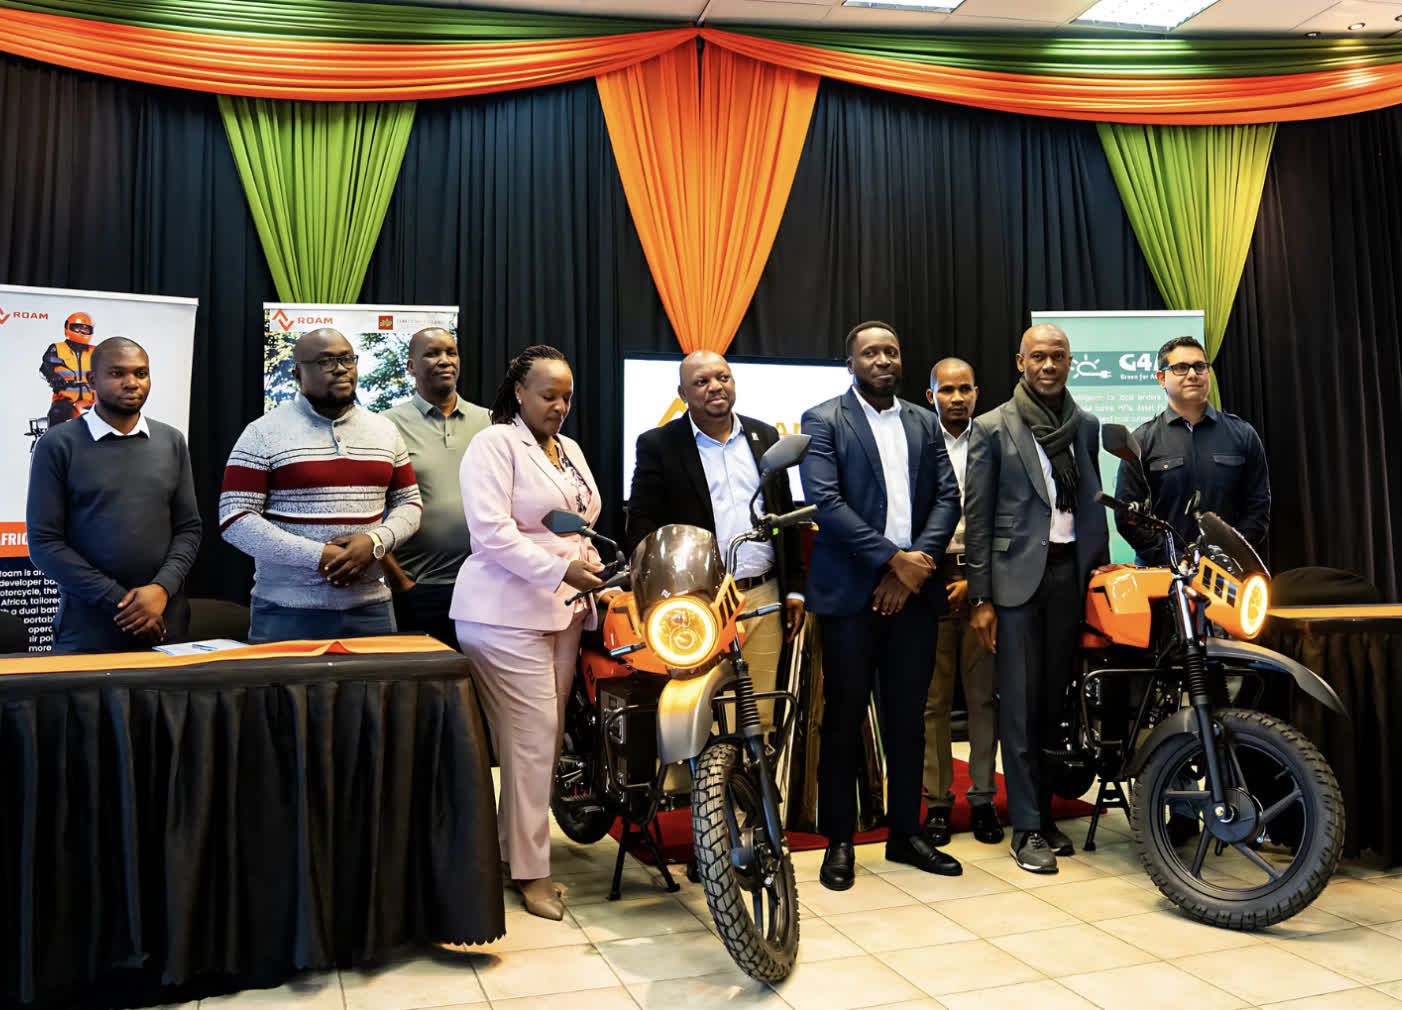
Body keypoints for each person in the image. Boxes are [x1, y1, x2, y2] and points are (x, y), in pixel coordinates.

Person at [801, 321, 964, 891]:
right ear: (851, 364)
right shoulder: (824, 419)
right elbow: (826, 501)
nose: (883, 360)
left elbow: (948, 495)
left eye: (892, 351)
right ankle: (839, 841)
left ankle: (905, 834)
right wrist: (893, 562)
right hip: (851, 595)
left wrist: (916, 565)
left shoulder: (923, 420)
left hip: (913, 597)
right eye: (871, 352)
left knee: (908, 720)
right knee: (844, 720)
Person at [451, 345, 605, 921]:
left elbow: (580, 527)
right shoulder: (493, 444)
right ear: (518, 392)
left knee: (543, 740)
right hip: (503, 612)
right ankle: (530, 874)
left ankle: (510, 854)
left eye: (566, 396)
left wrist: (594, 576)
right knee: (533, 739)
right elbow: (490, 533)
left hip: (563, 610)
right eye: (548, 395)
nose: (560, 406)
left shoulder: (569, 450)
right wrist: (560, 568)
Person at [963, 323, 1109, 874]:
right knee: (1019, 708)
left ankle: (1044, 815)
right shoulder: (991, 428)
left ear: (1069, 362)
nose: (1048, 366)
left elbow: (1088, 500)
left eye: (1058, 357)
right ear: (1019, 362)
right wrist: (981, 598)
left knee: (1054, 703)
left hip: (1071, 576)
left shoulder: (1085, 426)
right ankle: (1024, 828)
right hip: (1014, 584)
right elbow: (977, 519)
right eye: (1038, 357)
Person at [625, 350, 805, 720]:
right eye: (701, 382)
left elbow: (784, 515)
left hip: (763, 595)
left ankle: (753, 782)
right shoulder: (659, 444)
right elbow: (642, 523)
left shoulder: (764, 435)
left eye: (722, 378)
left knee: (761, 714)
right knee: (698, 714)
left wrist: (795, 589)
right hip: (698, 604)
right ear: (683, 392)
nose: (715, 387)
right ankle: (704, 781)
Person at [220, 328, 421, 642]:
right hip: (286, 611)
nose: (341, 368)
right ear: (297, 372)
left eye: (347, 359)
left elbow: (410, 504)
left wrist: (375, 543)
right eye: (326, 361)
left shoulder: (385, 431)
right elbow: (235, 519)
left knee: (373, 693)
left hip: (372, 610)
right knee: (283, 694)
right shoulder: (262, 433)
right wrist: (317, 555)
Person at [27, 337, 201, 653]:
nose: (131, 383)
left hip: (165, 621)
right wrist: (122, 603)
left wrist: (161, 590)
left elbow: (189, 529)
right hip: (88, 628)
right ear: (92, 380)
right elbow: (44, 543)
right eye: (117, 373)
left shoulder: (171, 441)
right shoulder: (57, 444)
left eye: (141, 373)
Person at [921, 358, 1002, 846]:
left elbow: (1008, 513)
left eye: (965, 389)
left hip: (984, 582)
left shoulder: (994, 441)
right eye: (946, 389)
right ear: (930, 394)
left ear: (977, 393)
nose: (956, 397)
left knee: (982, 698)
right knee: (932, 700)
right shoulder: (916, 440)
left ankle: (984, 799)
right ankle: (936, 803)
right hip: (927, 577)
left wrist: (977, 583)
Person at [1115, 336, 1270, 565]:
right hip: (1162, 575)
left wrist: (1227, 555)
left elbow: (1258, 507)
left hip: (1229, 573)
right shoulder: (1141, 441)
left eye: (1200, 366)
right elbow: (1126, 516)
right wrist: (1174, 559)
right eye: (1180, 367)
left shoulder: (1243, 434)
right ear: (1161, 378)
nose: (1192, 374)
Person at [381, 327, 491, 647]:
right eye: (432, 353)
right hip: (419, 588)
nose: (444, 360)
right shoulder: (385, 426)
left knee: (480, 689)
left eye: (451, 352)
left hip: (485, 587)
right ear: (411, 367)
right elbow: (367, 511)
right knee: (421, 692)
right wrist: (400, 582)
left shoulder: (491, 423)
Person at [39, 311, 97, 427]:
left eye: (85, 329)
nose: (81, 332)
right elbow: (46, 367)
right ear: (67, 327)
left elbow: (109, 367)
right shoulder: (57, 349)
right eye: (77, 328)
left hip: (92, 401)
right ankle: (53, 442)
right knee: (56, 413)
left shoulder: (96, 351)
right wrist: (54, 377)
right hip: (65, 401)